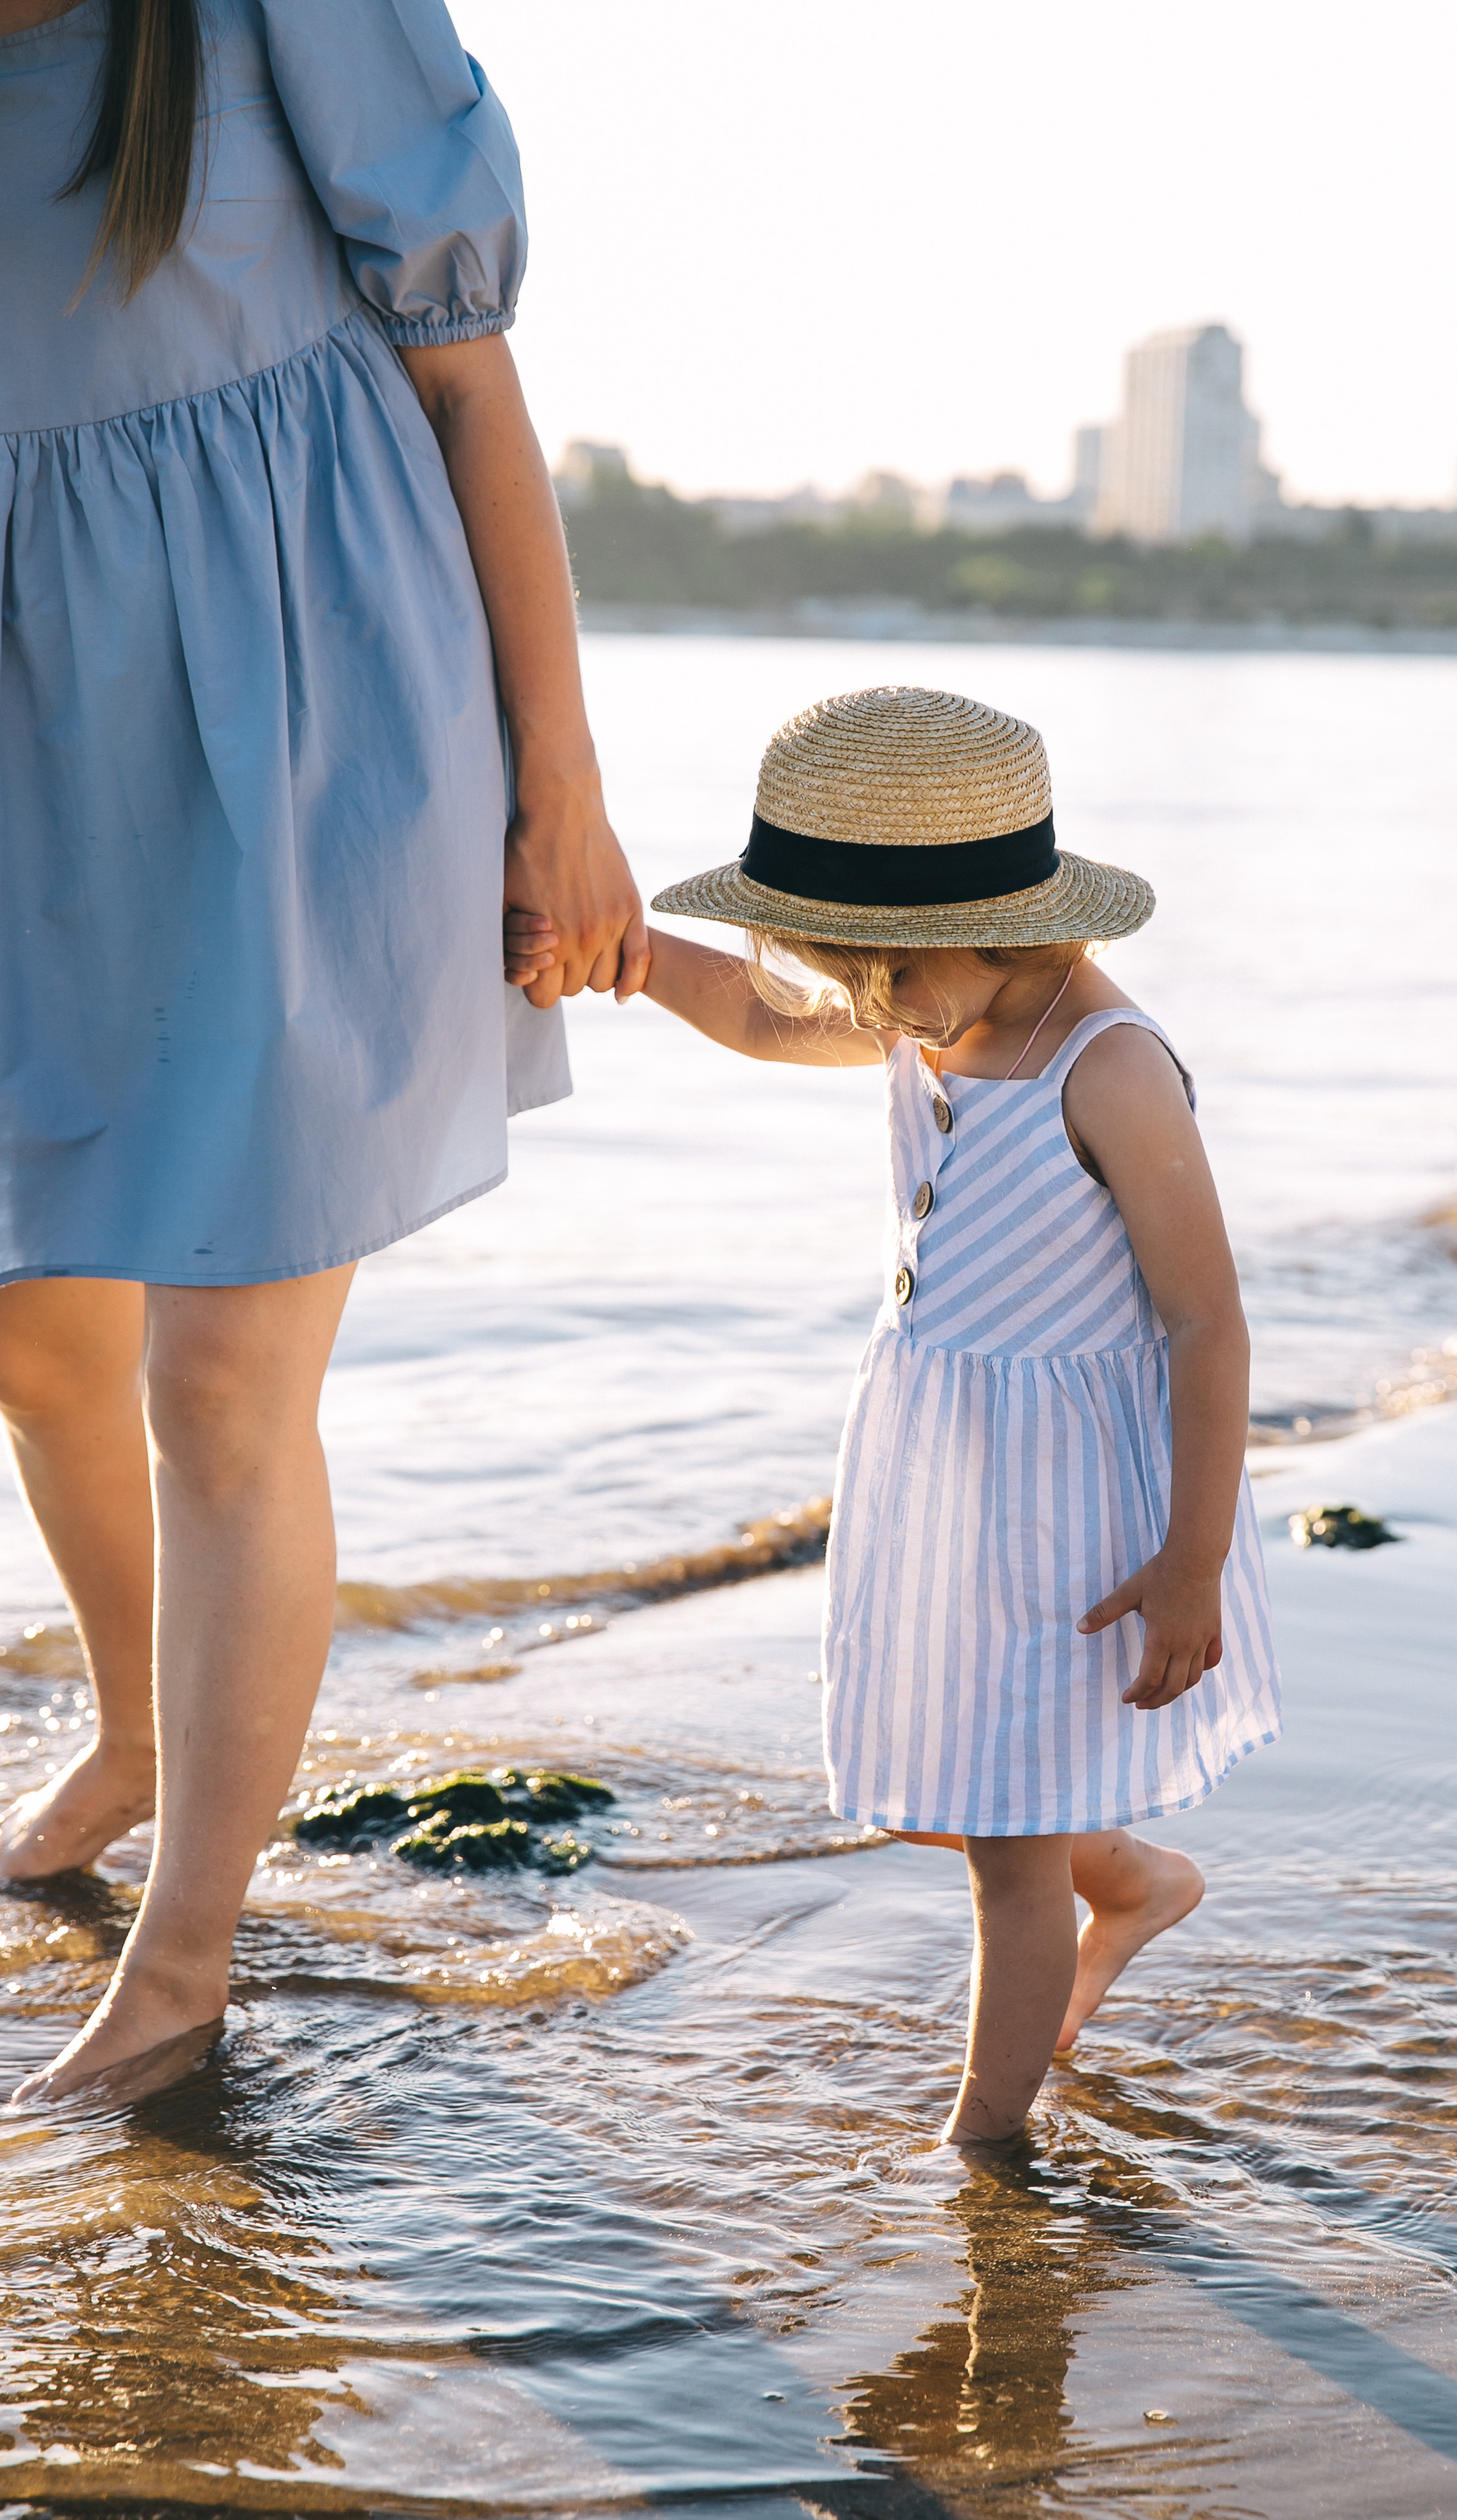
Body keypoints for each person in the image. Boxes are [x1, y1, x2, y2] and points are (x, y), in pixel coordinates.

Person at [0, 0, 644, 2103]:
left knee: (219, 1380)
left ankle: (180, 1974)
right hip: (43, 750)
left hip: (316, 729)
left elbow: (468, 381)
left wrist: (563, 792)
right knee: (33, 1335)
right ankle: (138, 1733)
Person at [509, 684, 1281, 2146]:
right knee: (938, 1780)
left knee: (1003, 1846)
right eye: (845, 981)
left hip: (1072, 1505)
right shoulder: (937, 1005)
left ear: (998, 920)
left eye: (884, 980)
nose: (867, 1013)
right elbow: (758, 1013)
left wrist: (1193, 1561)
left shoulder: (1106, 1067)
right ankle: (1127, 1880)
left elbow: (1207, 1321)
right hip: (945, 1473)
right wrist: (622, 959)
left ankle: (982, 2148)